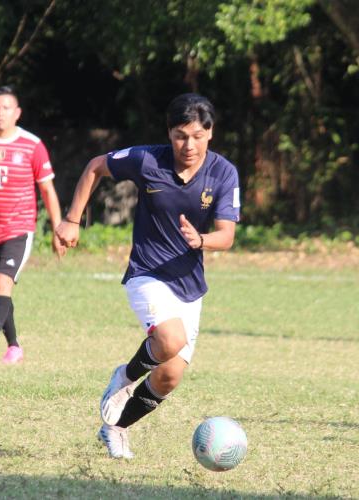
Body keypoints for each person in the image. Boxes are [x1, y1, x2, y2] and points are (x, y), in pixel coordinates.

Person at [56, 93, 240, 459]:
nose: (188, 145)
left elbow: (227, 235)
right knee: (170, 339)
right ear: (168, 133)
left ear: (211, 133)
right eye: (180, 135)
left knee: (169, 376)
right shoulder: (147, 160)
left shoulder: (223, 173)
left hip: (190, 285)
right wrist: (72, 219)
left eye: (197, 136)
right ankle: (124, 377)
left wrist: (201, 240)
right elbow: (96, 167)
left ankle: (116, 428)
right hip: (147, 273)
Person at [0, 85, 65, 365]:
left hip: (18, 229)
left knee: (2, 283)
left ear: (17, 113)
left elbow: (47, 191)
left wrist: (57, 230)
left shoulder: (32, 145)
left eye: (6, 108)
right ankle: (15, 346)